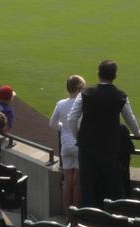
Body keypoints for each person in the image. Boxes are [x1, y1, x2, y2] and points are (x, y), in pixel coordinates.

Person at [67, 59, 140, 207]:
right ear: (115, 76)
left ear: (98, 73)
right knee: (115, 190)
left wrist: (80, 138)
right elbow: (130, 119)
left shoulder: (85, 93)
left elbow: (72, 118)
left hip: (87, 149)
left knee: (88, 190)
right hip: (109, 149)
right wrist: (137, 132)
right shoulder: (120, 95)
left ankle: (89, 218)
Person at [49, 75, 86, 210]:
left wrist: (64, 128)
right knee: (77, 183)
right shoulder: (83, 103)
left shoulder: (61, 104)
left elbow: (52, 124)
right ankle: (76, 213)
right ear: (79, 88)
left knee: (67, 182)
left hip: (65, 145)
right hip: (79, 144)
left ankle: (68, 216)